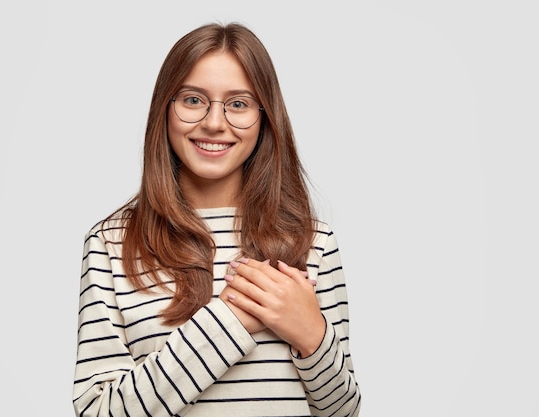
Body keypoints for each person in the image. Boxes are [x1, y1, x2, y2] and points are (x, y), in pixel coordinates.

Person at [72, 22, 361, 417]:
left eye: (238, 104)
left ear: (264, 118)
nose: (213, 122)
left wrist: (312, 335)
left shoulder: (315, 243)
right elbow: (97, 412)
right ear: (165, 107)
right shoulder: (111, 244)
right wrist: (231, 319)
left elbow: (341, 412)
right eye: (193, 100)